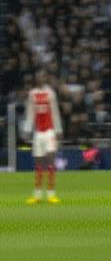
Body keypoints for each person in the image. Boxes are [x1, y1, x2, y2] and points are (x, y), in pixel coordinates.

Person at [25, 69, 63, 204]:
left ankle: (51, 194)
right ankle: (37, 195)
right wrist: (27, 128)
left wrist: (58, 129)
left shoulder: (51, 93)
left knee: (51, 162)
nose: (40, 78)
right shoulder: (32, 94)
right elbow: (30, 112)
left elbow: (55, 112)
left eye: (42, 76)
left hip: (49, 132)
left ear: (46, 78)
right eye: (38, 76)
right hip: (38, 133)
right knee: (38, 164)